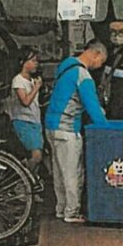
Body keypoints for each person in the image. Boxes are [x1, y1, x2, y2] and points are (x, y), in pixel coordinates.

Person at [44, 41, 109, 224]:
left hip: (50, 125)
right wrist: (106, 127)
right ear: (95, 54)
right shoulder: (83, 76)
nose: (99, 66)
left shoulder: (66, 66)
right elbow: (93, 108)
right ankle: (71, 212)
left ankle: (61, 207)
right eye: (101, 61)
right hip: (67, 128)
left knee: (59, 171)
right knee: (73, 172)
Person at [10, 48, 44, 173]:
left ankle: (29, 182)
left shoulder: (31, 80)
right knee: (36, 156)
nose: (36, 64)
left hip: (34, 121)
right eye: (33, 61)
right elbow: (25, 102)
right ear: (23, 62)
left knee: (37, 156)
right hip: (23, 122)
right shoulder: (18, 80)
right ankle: (21, 181)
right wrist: (36, 88)